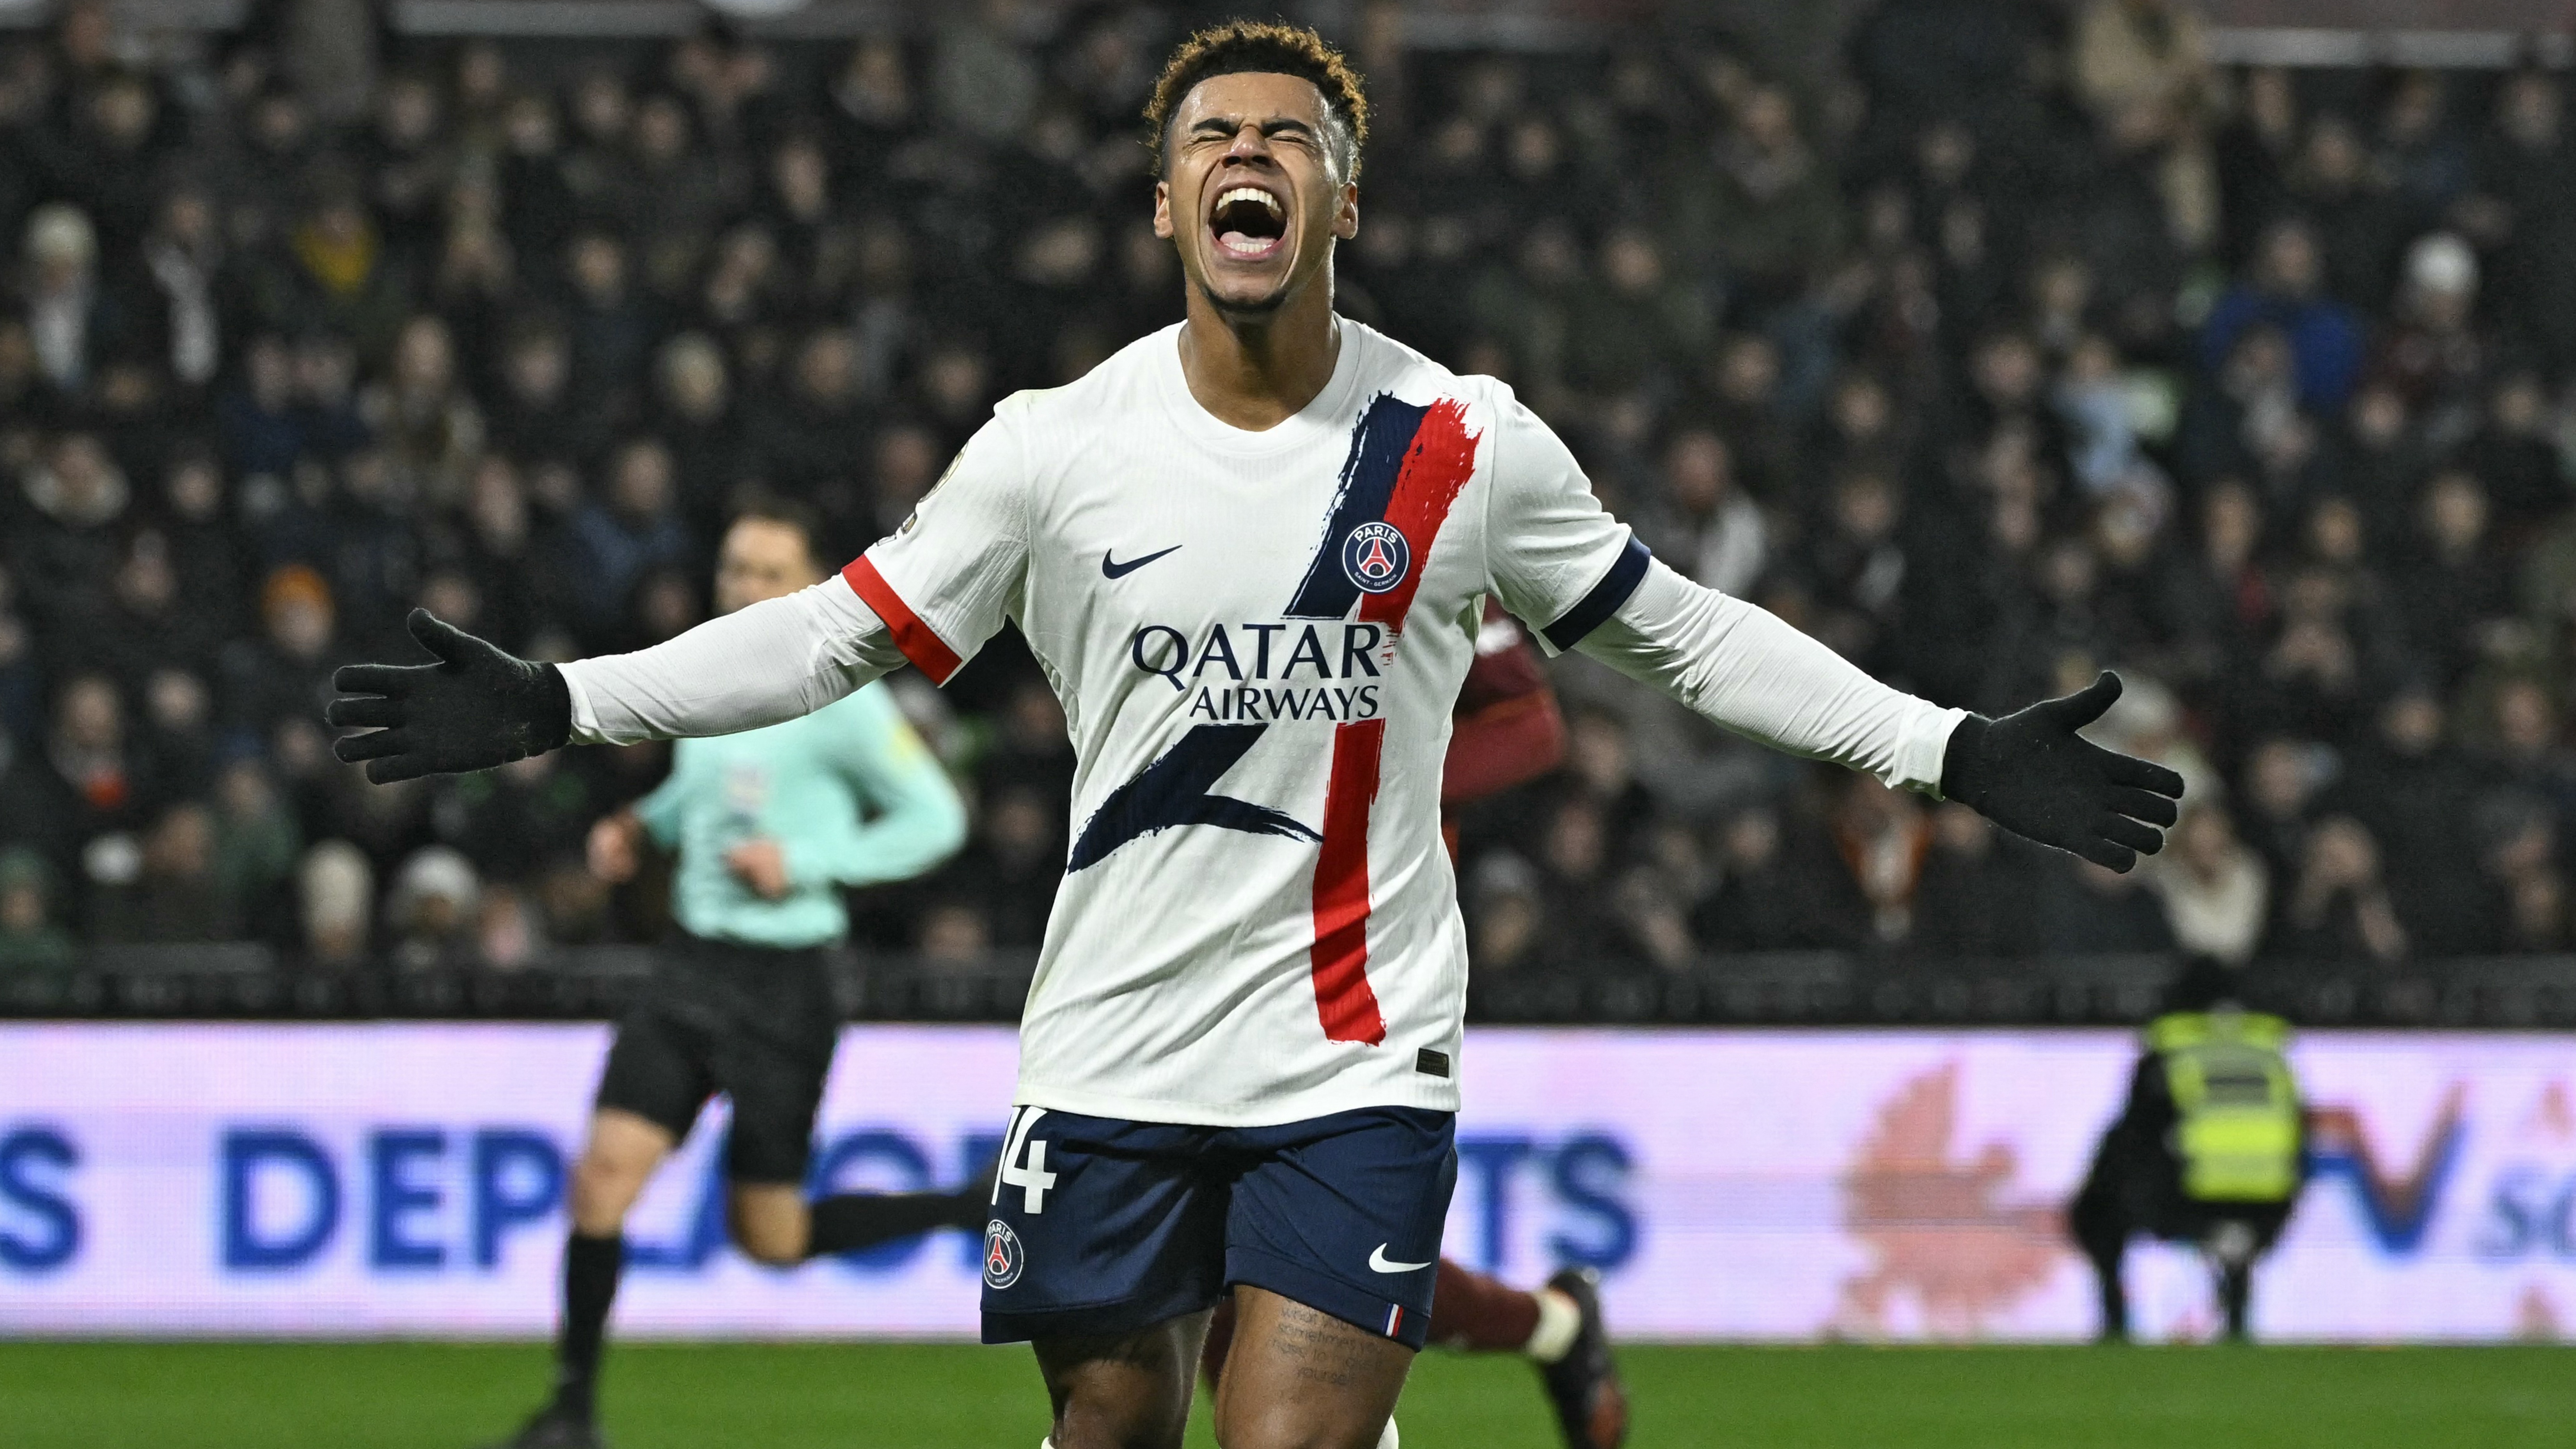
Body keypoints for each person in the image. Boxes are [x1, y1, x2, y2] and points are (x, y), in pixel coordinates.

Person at [332, 25, 2182, 1449]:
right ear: (1164, 205)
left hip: (1352, 1064)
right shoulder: (1051, 448)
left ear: (1338, 202)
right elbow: (833, 637)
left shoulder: (1463, 444)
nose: (1245, 156)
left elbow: (1681, 637)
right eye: (1209, 137)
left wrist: (1940, 748)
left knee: (1286, 1428)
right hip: (1108, 1050)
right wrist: (570, 703)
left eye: (1283, 138)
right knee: (1111, 1420)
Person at [486, 503, 975, 1449]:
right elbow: (695, 799)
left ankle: (965, 1205)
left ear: (808, 584)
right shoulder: (709, 682)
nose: (748, 587)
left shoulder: (844, 700)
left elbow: (935, 818)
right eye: (735, 568)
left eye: (769, 571)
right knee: (600, 1183)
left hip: (787, 984)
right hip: (689, 967)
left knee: (772, 1237)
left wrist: (808, 859)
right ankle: (570, 1412)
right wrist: (644, 828)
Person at [1199, 599, 1625, 1449]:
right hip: (1218, 931)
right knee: (1231, 1245)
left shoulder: (1417, 535)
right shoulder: (1211, 521)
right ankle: (1550, 1328)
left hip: (1367, 949)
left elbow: (1530, 728)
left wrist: (1365, 783)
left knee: (1275, 1249)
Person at [2067, 956, 2306, 1344]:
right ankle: (2236, 1314)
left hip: (2192, 1200)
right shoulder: (2269, 1051)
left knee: (2097, 1211)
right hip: (2269, 1206)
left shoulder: (2172, 1049)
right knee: (2231, 1201)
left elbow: (2134, 1134)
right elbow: (2299, 1132)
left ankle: (2115, 1323)